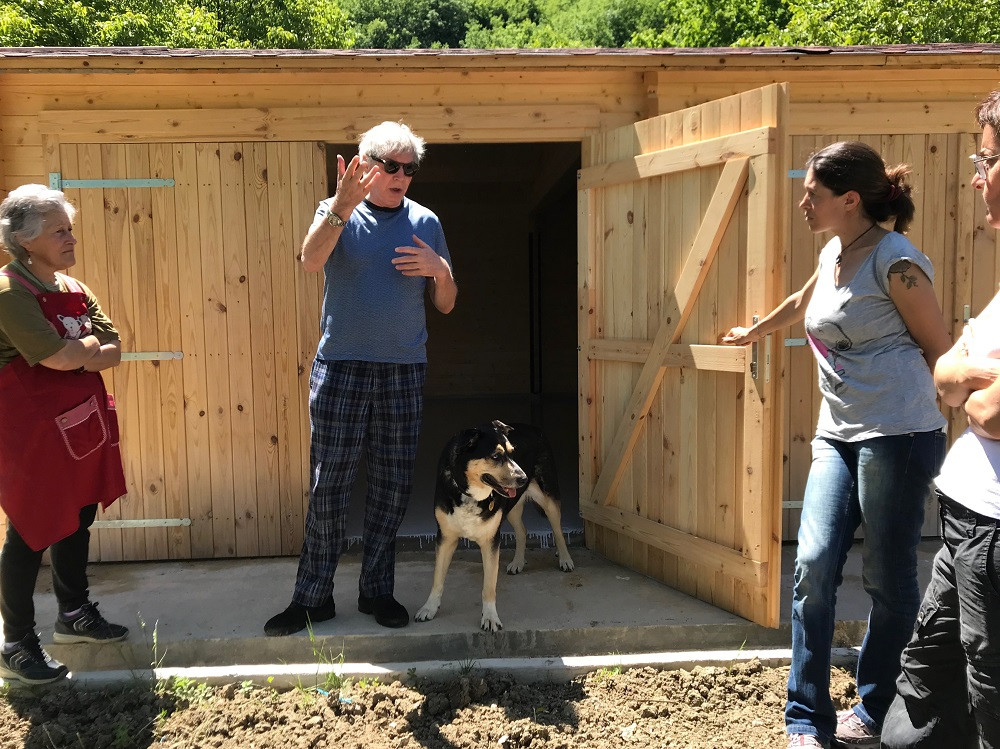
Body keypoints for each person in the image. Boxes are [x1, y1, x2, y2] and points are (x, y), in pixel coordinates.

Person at [721, 141, 951, 749]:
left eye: (813, 194)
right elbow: (804, 303)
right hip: (838, 432)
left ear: (850, 201)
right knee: (815, 563)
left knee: (886, 575)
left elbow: (940, 347)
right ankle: (806, 717)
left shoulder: (897, 262)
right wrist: (755, 331)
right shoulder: (833, 250)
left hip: (899, 435)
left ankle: (875, 707)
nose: (803, 201)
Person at [265, 121, 457, 637]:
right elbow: (309, 261)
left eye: (408, 168)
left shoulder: (426, 221)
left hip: (403, 371)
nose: (400, 176)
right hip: (342, 368)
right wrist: (340, 207)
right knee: (330, 486)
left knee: (391, 488)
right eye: (389, 165)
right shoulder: (337, 213)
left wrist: (441, 270)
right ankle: (312, 600)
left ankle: (377, 591)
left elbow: (446, 303)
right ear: (365, 164)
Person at [881, 90, 1000, 749]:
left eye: (986, 159)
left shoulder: (901, 262)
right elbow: (949, 373)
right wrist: (970, 373)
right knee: (915, 719)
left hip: (994, 534)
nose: (977, 176)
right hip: (964, 527)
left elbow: (988, 405)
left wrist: (968, 378)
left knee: (989, 702)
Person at [0, 184, 130, 686]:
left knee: (78, 513)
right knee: (31, 528)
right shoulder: (10, 293)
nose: (71, 238)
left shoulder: (74, 289)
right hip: (29, 433)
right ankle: (15, 643)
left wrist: (81, 351)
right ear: (25, 240)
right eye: (59, 231)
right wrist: (83, 350)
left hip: (80, 424)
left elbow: (114, 348)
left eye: (69, 228)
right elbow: (57, 356)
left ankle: (74, 616)